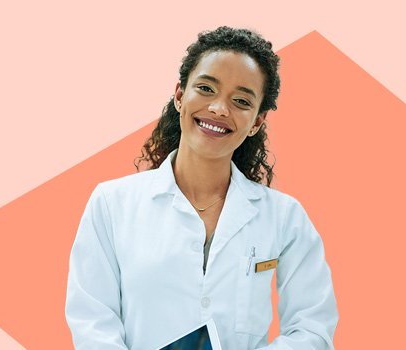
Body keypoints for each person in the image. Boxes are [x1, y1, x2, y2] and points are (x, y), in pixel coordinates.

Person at [65, 26, 339, 350]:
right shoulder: (112, 205)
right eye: (206, 88)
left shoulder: (285, 219)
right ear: (180, 96)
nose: (220, 109)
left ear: (257, 122)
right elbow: (92, 322)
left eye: (240, 100)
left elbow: (313, 329)